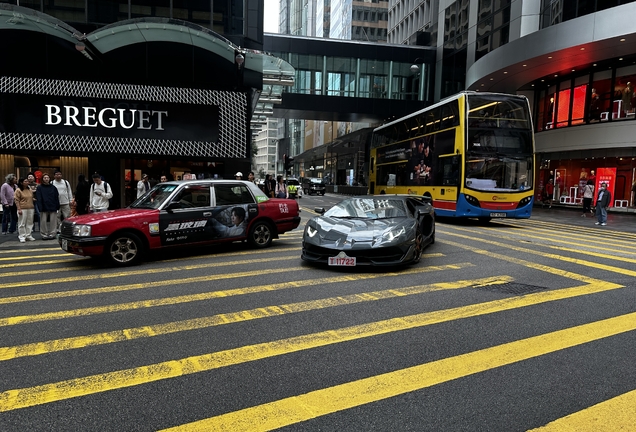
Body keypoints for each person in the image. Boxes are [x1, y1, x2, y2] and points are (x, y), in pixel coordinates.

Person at [35, 173, 60, 240]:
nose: (46, 179)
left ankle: (53, 233)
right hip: (43, 206)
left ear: (49, 179)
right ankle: (44, 234)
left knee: (53, 221)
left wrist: (57, 206)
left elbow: (56, 197)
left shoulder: (53, 187)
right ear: (42, 179)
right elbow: (39, 198)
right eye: (45, 178)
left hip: (53, 205)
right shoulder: (39, 188)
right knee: (43, 221)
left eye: (47, 178)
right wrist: (40, 206)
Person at [14, 178, 36, 242]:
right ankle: (22, 236)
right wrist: (19, 208)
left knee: (30, 222)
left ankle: (28, 235)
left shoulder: (29, 189)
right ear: (21, 183)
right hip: (22, 208)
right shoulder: (18, 190)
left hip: (30, 207)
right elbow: (16, 200)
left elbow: (31, 197)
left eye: (27, 181)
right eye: (25, 181)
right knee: (22, 223)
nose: (27, 182)